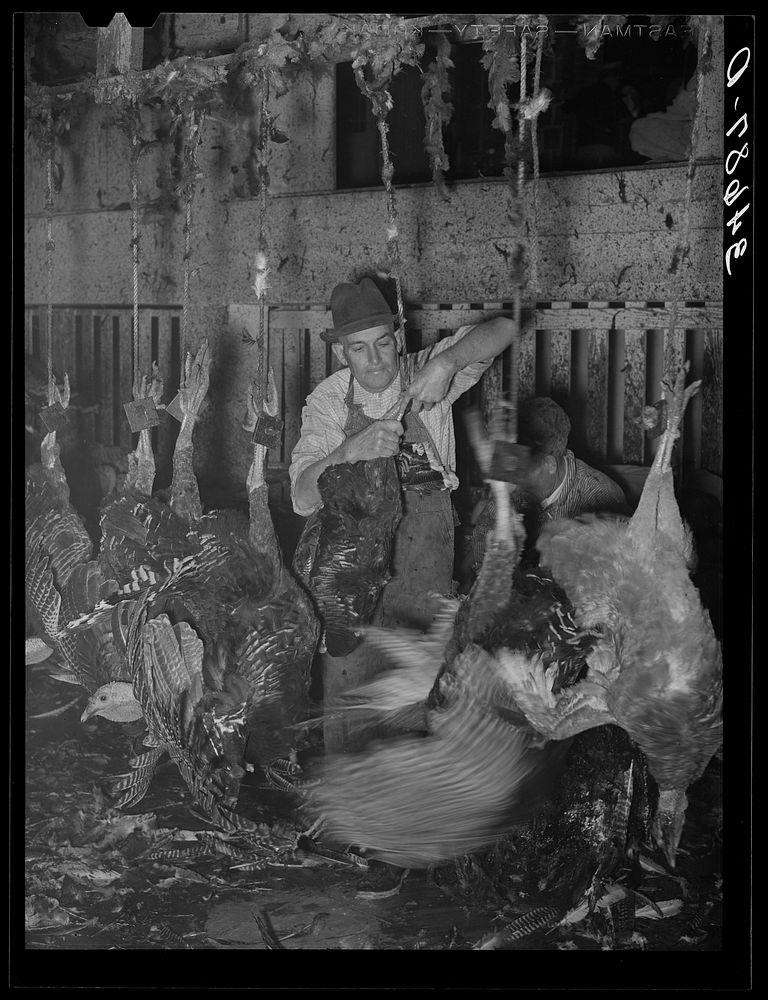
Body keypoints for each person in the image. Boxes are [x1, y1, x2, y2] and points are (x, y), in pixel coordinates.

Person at [289, 274, 518, 751]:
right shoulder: (328, 402)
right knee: (351, 687)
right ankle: (348, 813)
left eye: (383, 343)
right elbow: (302, 497)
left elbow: (507, 327)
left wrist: (448, 362)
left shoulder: (426, 372)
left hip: (425, 557)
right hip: (351, 572)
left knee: (418, 690)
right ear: (340, 352)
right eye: (358, 349)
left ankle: (409, 813)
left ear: (399, 338)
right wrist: (350, 449)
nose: (375, 360)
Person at [466, 396, 629, 578]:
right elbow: (481, 552)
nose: (513, 479)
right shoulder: (511, 483)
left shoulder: (601, 497)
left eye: (523, 468)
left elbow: (614, 576)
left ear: (549, 464)